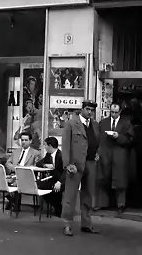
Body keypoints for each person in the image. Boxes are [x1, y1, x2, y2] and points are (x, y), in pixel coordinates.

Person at [61, 100, 100, 236]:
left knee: (88, 194)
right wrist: (67, 164)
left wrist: (97, 154)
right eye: (88, 109)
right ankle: (67, 224)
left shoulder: (94, 124)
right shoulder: (72, 123)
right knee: (70, 195)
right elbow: (65, 146)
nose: (90, 112)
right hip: (75, 165)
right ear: (82, 109)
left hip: (90, 162)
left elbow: (97, 141)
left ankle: (86, 223)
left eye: (92, 110)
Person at [97, 103, 134, 213]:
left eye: (115, 112)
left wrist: (119, 137)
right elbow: (99, 139)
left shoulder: (126, 123)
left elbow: (130, 140)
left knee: (120, 180)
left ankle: (121, 204)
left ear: (120, 112)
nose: (113, 114)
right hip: (106, 153)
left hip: (120, 154)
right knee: (103, 178)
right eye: (111, 112)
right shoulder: (103, 123)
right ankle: (104, 203)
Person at [3, 130, 40, 210]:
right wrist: (14, 168)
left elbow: (36, 167)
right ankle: (11, 199)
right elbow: (8, 163)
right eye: (22, 140)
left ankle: (14, 203)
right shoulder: (16, 151)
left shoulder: (35, 153)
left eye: (26, 140)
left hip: (26, 176)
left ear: (30, 141)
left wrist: (22, 169)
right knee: (2, 180)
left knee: (16, 181)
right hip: (14, 173)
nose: (23, 142)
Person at [36, 136, 65, 217]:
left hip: (61, 180)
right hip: (52, 179)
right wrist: (46, 165)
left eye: (45, 145)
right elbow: (39, 163)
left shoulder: (61, 156)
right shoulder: (48, 155)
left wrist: (59, 182)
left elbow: (65, 171)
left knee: (55, 190)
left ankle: (59, 209)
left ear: (50, 146)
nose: (44, 147)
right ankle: (56, 207)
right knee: (40, 186)